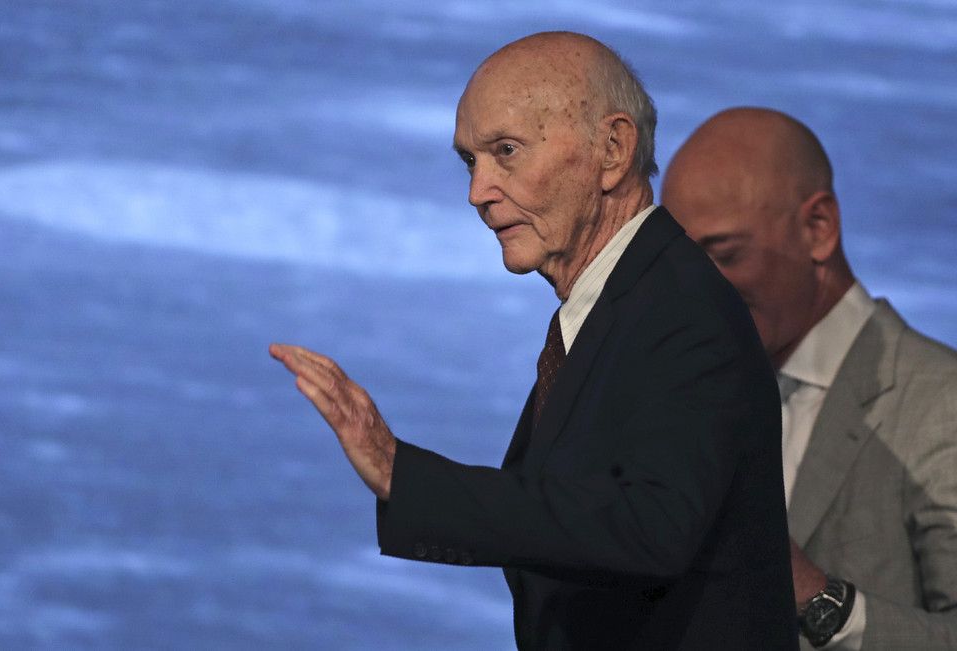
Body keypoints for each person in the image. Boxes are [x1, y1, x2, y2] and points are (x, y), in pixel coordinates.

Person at [271, 33, 797, 650]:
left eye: (507, 151)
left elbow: (649, 529)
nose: (478, 192)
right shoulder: (618, 308)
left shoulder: (679, 309)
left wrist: (402, 475)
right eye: (470, 161)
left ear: (612, 149)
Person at [661, 107, 957, 650]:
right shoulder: (690, 401)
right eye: (681, 265)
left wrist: (820, 602)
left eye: (725, 255)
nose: (696, 293)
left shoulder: (942, 403)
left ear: (818, 228)